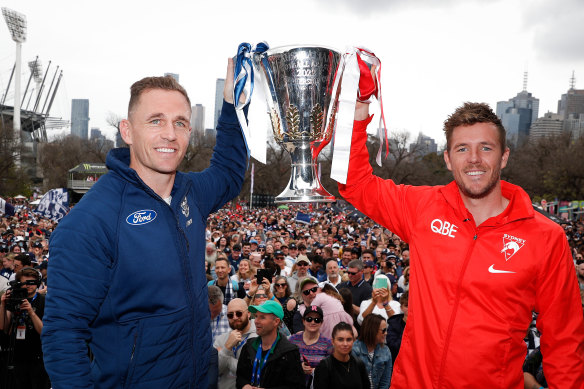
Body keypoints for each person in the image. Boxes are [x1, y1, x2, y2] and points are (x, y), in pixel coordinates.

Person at [339, 100, 584, 387]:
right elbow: (354, 183)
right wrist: (358, 110)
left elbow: (563, 339)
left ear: (504, 157)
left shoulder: (545, 237)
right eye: (462, 149)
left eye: (486, 148)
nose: (474, 159)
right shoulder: (422, 207)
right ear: (447, 158)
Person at [42, 60, 248, 388]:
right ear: (127, 130)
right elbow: (63, 337)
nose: (170, 133)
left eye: (180, 122)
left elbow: (229, 172)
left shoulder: (190, 192)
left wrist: (233, 103)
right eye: (156, 121)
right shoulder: (91, 220)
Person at [0, 267, 50, 389]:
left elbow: (44, 331)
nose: (28, 286)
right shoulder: (14, 300)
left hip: (38, 356)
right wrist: (2, 305)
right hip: (16, 355)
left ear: (37, 283)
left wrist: (31, 311)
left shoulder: (44, 301)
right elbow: (3, 327)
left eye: (31, 283)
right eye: (24, 283)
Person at [235, 300, 304, 389]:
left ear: (276, 322)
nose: (256, 321)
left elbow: (297, 385)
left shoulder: (289, 352)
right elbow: (240, 377)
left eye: (262, 317)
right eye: (256, 316)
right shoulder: (249, 346)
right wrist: (244, 385)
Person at [214, 298, 257, 389]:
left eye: (239, 313)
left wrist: (226, 356)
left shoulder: (258, 336)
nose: (235, 317)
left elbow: (252, 372)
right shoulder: (221, 340)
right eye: (230, 315)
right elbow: (215, 370)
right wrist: (227, 347)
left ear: (248, 313)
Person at [312, 321, 369, 389]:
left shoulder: (359, 364)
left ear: (353, 341)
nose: (345, 344)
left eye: (349, 340)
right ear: (333, 341)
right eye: (340, 340)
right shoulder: (325, 366)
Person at [288, 306, 332, 388]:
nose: (313, 322)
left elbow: (332, 368)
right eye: (309, 319)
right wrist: (299, 367)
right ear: (303, 321)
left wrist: (317, 370)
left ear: (321, 323)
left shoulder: (328, 344)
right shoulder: (292, 340)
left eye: (317, 320)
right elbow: (285, 364)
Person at [351, 314, 392, 389]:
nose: (386, 333)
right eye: (383, 330)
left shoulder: (386, 351)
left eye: (386, 330)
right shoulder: (354, 349)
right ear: (372, 330)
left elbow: (385, 382)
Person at [386, 291, 408, 366]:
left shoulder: (421, 324)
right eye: (407, 306)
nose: (410, 308)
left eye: (413, 305)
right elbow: (393, 347)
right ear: (401, 308)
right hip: (397, 363)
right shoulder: (393, 324)